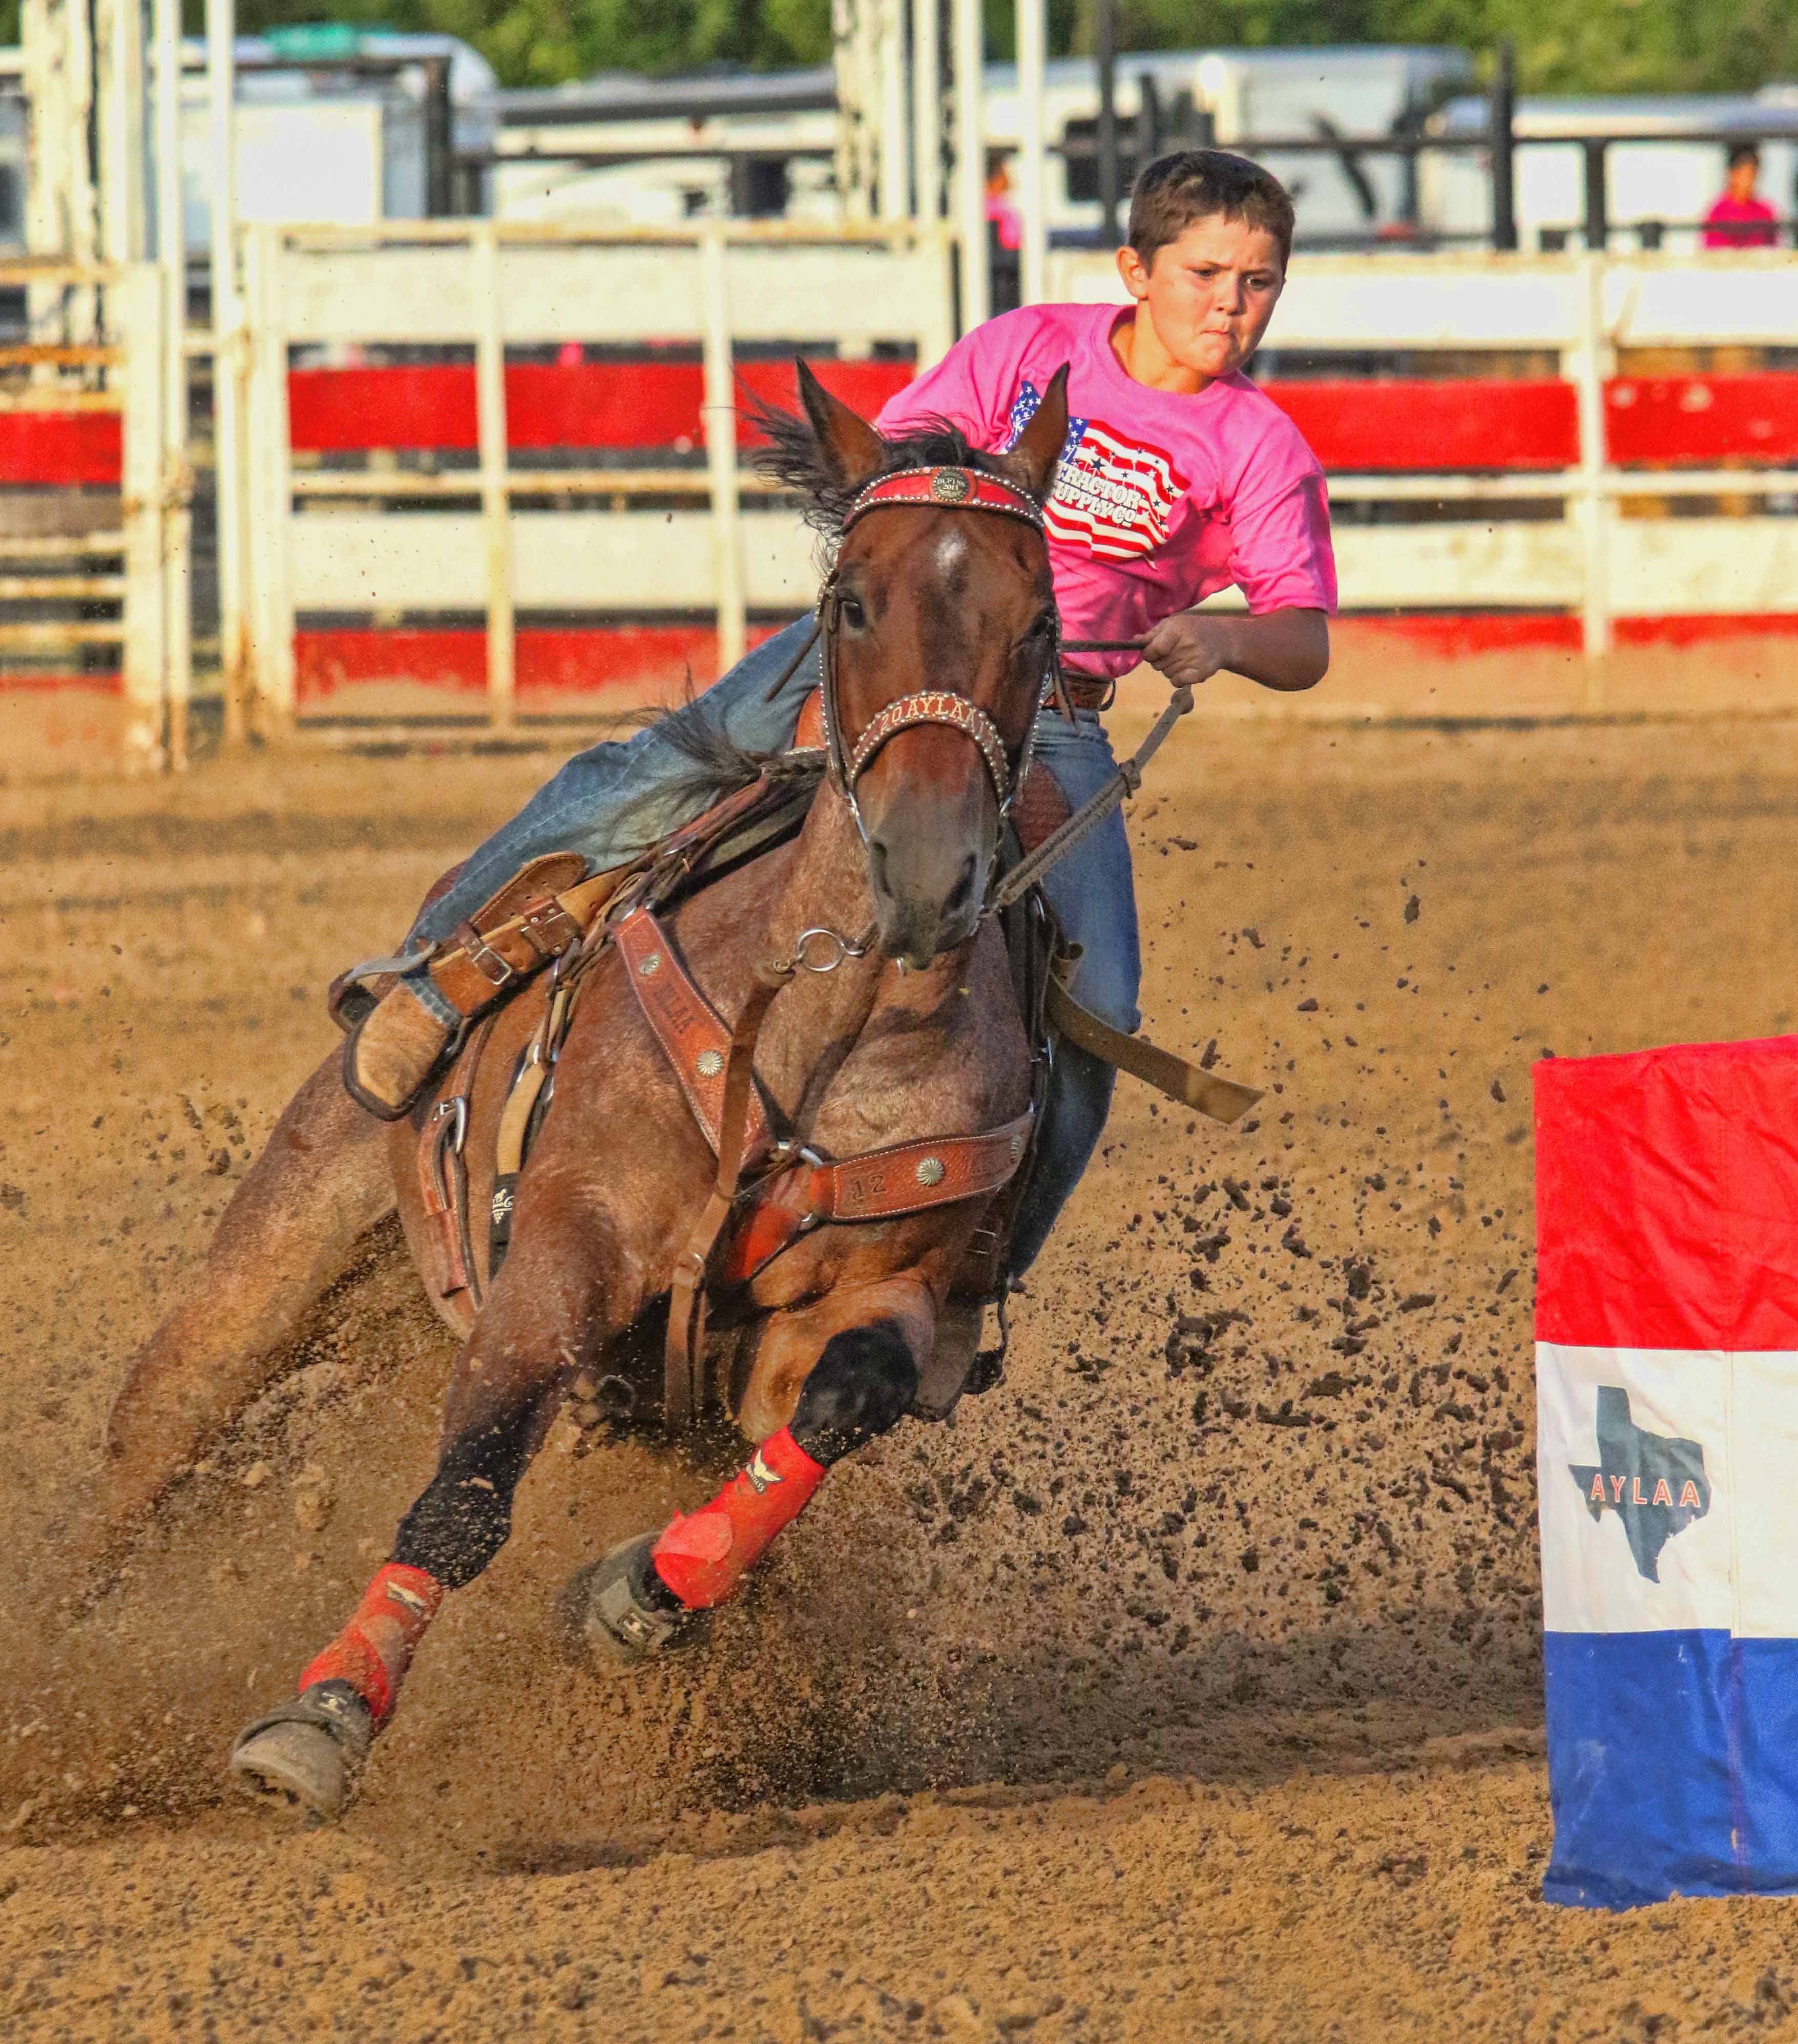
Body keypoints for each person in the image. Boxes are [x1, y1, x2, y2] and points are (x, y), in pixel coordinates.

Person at [343, 149, 1336, 1282]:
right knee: (642, 777)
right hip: (890, 659)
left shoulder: (1259, 446)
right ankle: (434, 978)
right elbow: (893, 472)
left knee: (1098, 1003)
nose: (1230, 303)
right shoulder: (1030, 348)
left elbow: (1301, 636)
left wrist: (1223, 635)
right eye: (1206, 272)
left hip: (1047, 709)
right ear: (1135, 269)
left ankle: (978, 1266)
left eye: (1259, 282)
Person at [1703, 144, 1779, 249]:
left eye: (1752, 175)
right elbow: (1713, 250)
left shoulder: (1766, 211)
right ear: (1732, 174)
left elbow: (1773, 248)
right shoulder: (1718, 211)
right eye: (1744, 175)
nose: (1747, 182)